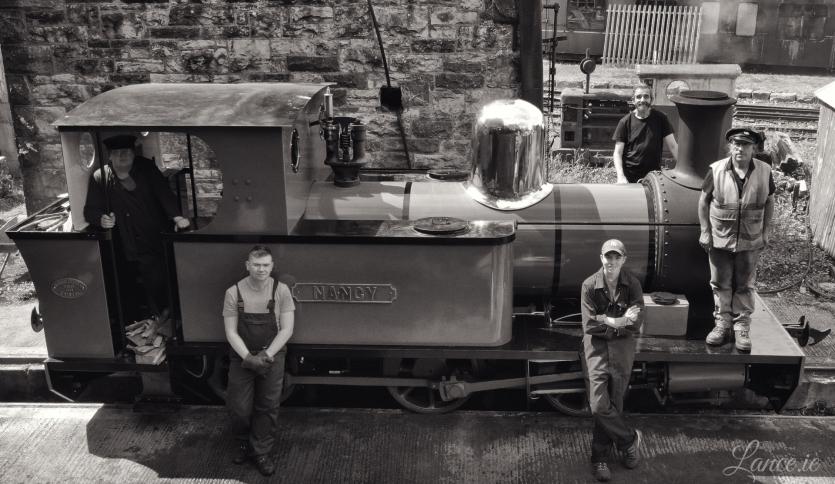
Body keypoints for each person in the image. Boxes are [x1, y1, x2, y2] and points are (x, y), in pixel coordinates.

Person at [83, 134, 190, 318]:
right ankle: (137, 322)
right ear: (110, 156)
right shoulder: (100, 176)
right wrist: (100, 219)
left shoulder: (147, 168)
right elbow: (90, 209)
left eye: (126, 152)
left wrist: (178, 217)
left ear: (133, 153)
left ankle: (164, 318)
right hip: (122, 242)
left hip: (151, 237)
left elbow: (163, 194)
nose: (122, 156)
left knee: (157, 279)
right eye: (117, 153)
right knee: (126, 284)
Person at [698, 128, 774, 352]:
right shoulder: (717, 169)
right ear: (730, 146)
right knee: (720, 283)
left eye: (745, 145)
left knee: (745, 285)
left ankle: (741, 328)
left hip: (750, 240)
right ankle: (722, 325)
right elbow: (703, 201)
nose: (740, 148)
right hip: (721, 238)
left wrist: (766, 231)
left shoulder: (764, 170)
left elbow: (769, 202)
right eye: (736, 144)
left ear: (754, 148)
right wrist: (705, 231)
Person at [223, 245, 295, 476]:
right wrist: (247, 358)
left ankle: (261, 451)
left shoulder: (281, 290)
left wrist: (266, 356)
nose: (261, 269)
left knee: (268, 406)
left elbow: (287, 329)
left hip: (272, 355)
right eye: (256, 265)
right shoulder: (233, 292)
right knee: (239, 407)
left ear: (272, 266)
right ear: (248, 266)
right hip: (242, 356)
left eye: (265, 265)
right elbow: (231, 332)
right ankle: (243, 442)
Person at [580, 239, 645, 482]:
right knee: (598, 405)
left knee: (614, 404)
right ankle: (629, 440)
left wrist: (605, 320)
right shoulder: (589, 285)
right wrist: (619, 322)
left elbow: (635, 323)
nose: (612, 262)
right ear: (601, 258)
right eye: (608, 257)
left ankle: (599, 460)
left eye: (617, 257)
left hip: (622, 350)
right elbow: (589, 324)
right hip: (596, 349)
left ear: (624, 260)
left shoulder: (633, 285)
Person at [612, 84, 678, 183]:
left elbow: (673, 146)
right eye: (638, 97)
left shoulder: (661, 119)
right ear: (633, 100)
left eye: (646, 96)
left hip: (654, 178)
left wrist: (683, 171)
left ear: (651, 99)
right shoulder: (624, 122)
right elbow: (617, 153)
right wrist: (621, 176)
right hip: (629, 178)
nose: (642, 100)